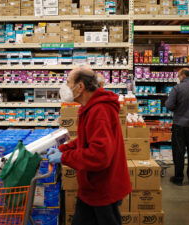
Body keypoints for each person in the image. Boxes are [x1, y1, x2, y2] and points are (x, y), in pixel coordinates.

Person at [48, 67, 132, 225]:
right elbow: (86, 140)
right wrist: (62, 149)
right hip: (91, 186)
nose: (65, 87)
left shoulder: (100, 111)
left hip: (103, 188)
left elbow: (99, 156)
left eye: (68, 82)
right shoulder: (89, 108)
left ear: (80, 87)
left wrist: (65, 157)